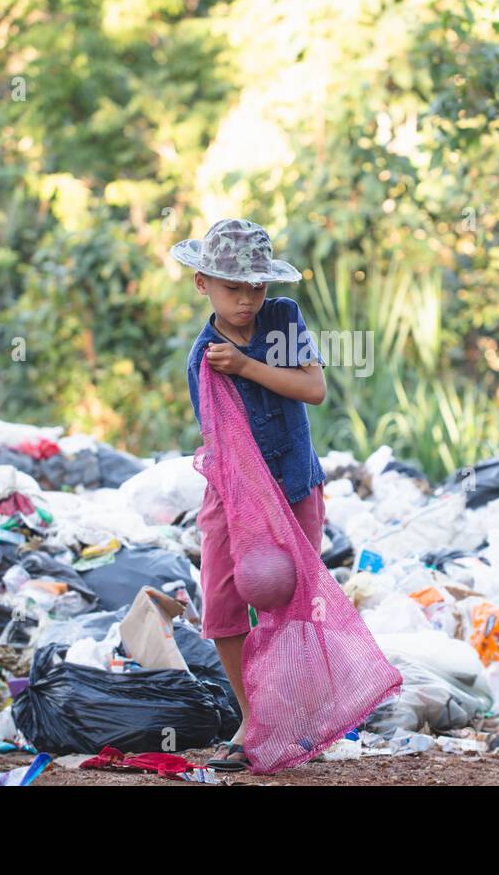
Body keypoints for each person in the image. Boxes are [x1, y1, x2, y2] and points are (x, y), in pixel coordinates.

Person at [170, 218, 328, 772]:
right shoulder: (203, 358)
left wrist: (248, 367)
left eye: (255, 287)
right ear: (202, 284)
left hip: (294, 487)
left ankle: (294, 718)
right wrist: (251, 517)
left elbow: (313, 388)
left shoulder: (282, 319)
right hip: (235, 493)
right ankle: (254, 716)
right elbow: (225, 443)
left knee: (290, 603)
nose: (246, 300)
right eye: (233, 288)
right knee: (224, 601)